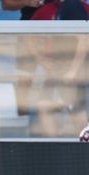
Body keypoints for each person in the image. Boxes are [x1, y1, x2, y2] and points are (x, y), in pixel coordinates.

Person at [30, 0, 89, 137]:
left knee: (77, 112)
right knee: (44, 105)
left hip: (74, 69)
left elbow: (83, 39)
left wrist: (73, 70)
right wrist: (43, 59)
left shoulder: (72, 5)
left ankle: (81, 148)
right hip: (61, 68)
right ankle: (55, 145)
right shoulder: (61, 7)